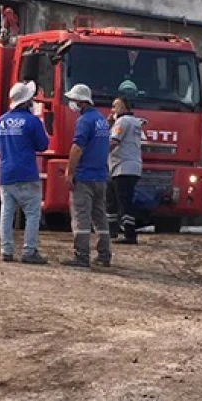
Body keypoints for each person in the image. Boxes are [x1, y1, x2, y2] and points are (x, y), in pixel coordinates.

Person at [0, 81, 50, 264]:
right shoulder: (32, 121)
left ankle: (6, 251)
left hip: (6, 174)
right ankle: (29, 251)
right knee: (32, 213)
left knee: (6, 213)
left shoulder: (0, 121)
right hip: (26, 173)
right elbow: (43, 145)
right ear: (26, 102)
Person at [63, 83, 112, 268]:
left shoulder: (84, 121)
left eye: (74, 100)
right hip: (100, 176)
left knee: (81, 217)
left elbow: (77, 148)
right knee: (100, 218)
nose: (72, 104)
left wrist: (70, 172)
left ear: (82, 102)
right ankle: (104, 255)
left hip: (84, 177)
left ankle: (81, 256)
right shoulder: (101, 120)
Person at [108, 96, 144, 245]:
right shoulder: (135, 122)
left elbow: (114, 142)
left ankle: (129, 235)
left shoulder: (122, 122)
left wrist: (97, 153)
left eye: (115, 106)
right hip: (131, 166)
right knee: (114, 199)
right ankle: (112, 230)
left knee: (123, 201)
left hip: (123, 166)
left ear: (123, 108)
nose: (112, 110)